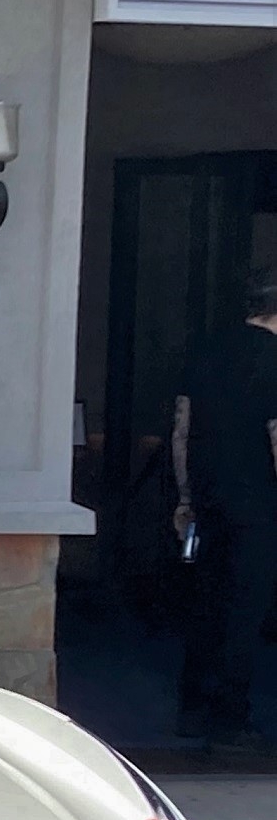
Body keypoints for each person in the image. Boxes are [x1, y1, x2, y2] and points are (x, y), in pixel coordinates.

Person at [172, 264, 277, 748]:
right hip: (258, 502)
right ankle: (230, 714)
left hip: (209, 497)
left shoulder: (206, 350)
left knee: (207, 603)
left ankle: (192, 706)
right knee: (245, 610)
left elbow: (181, 427)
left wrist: (186, 497)